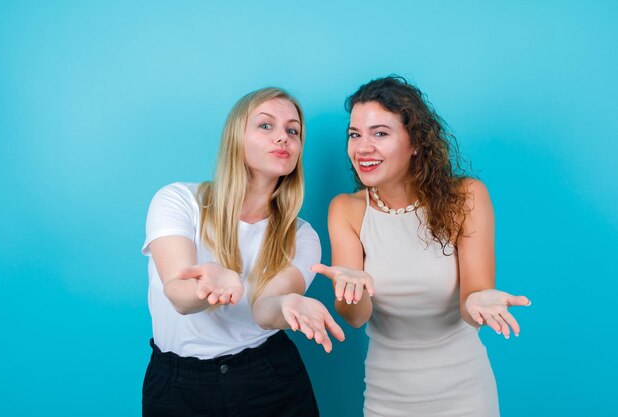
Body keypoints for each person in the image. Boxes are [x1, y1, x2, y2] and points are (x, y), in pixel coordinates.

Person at [312, 76, 531, 417]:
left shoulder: (466, 197)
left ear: (415, 142)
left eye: (380, 133)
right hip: (387, 396)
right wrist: (348, 290)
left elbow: (471, 302)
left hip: (465, 393)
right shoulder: (346, 210)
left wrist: (481, 300)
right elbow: (355, 318)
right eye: (355, 135)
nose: (362, 147)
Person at [141, 87, 345, 417]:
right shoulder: (178, 201)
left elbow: (265, 312)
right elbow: (178, 295)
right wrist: (210, 286)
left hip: (269, 378)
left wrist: (289, 303)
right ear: (237, 137)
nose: (283, 137)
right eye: (266, 125)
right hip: (179, 389)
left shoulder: (302, 236)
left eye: (292, 131)